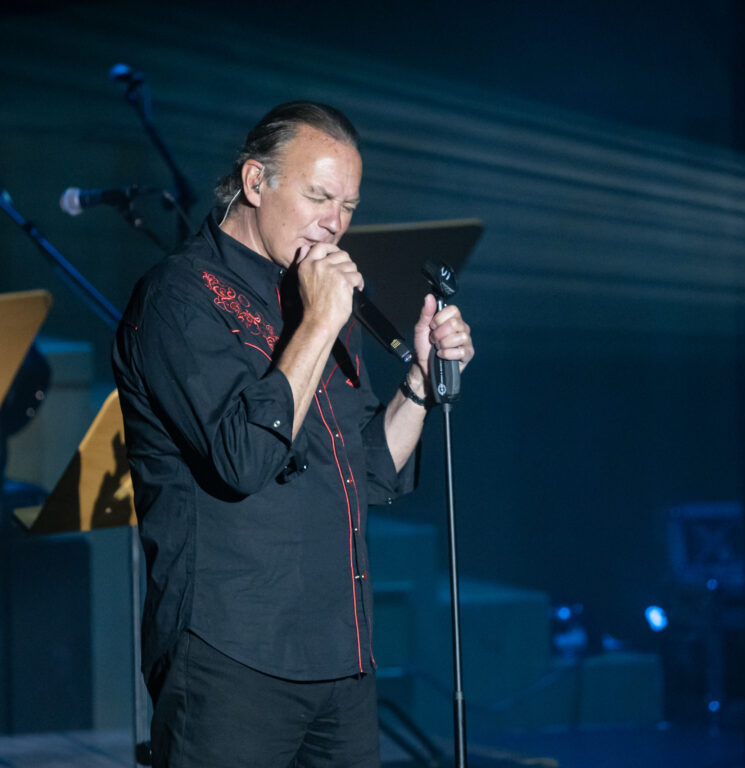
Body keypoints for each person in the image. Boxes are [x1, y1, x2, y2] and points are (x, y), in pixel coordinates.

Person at [112, 101, 474, 768]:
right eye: (318, 196)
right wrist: (317, 324)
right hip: (231, 656)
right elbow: (242, 459)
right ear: (256, 183)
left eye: (348, 205)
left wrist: (421, 384)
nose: (334, 222)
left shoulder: (318, 302)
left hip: (340, 656)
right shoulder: (180, 298)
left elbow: (370, 472)